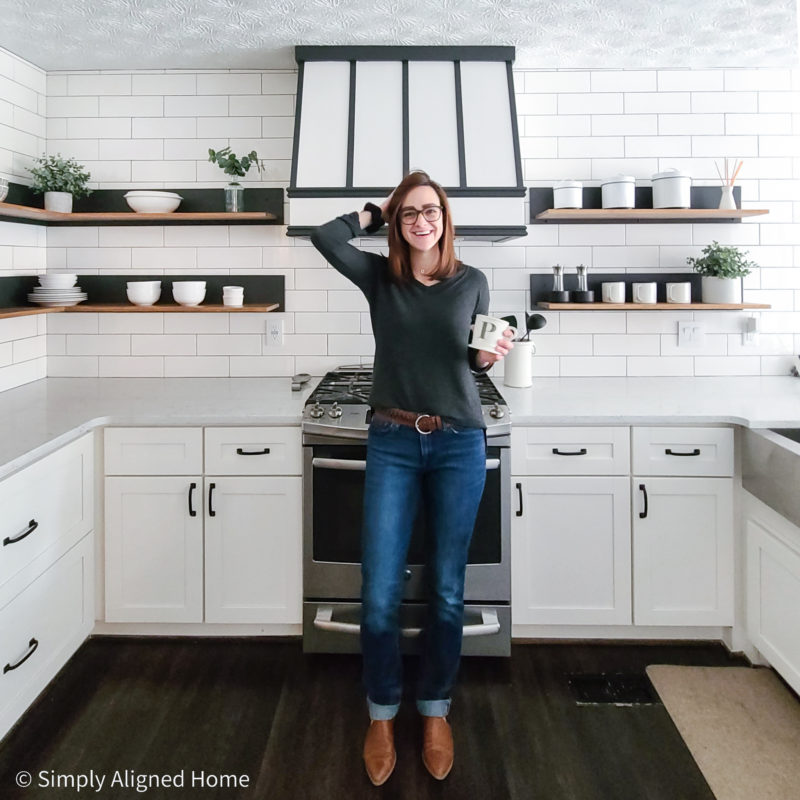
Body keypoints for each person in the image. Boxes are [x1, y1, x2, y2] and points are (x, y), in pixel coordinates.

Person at [310, 170, 513, 786]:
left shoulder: (471, 281)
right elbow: (324, 236)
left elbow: (473, 357)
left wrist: (488, 354)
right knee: (380, 592)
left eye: (431, 211)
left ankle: (434, 711)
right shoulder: (380, 277)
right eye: (409, 214)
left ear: (446, 218)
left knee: (448, 590)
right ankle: (380, 712)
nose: (422, 221)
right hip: (394, 439)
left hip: (457, 442)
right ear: (398, 225)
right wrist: (372, 212)